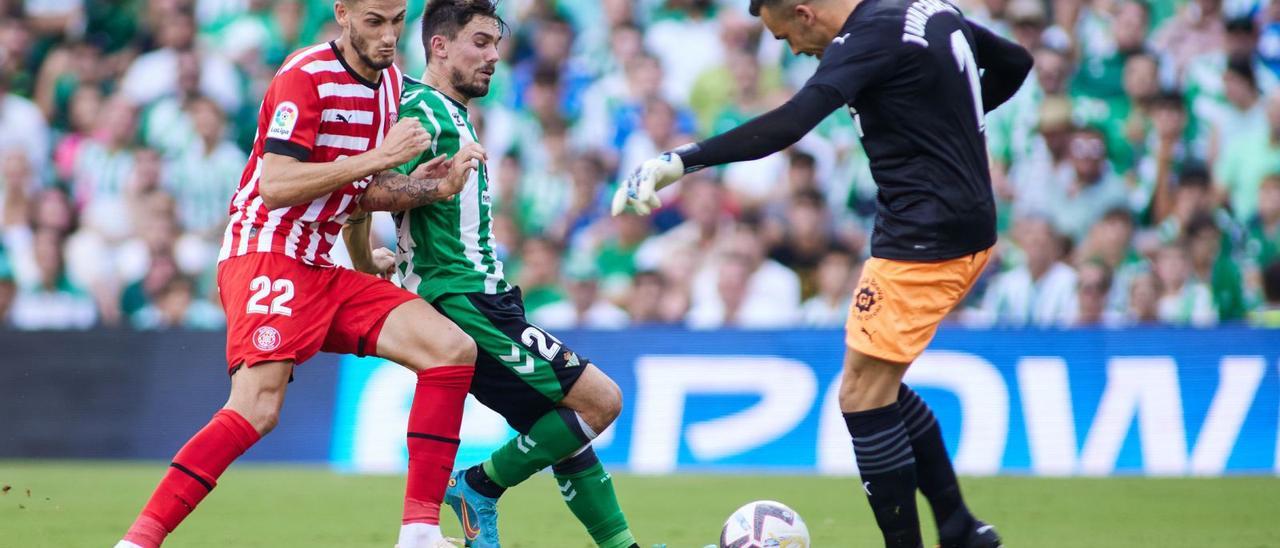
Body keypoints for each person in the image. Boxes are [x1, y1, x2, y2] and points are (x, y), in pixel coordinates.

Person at [612, 0, 1032, 546]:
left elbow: (789, 123)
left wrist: (680, 161)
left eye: (785, 37)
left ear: (805, 13)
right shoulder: (924, 9)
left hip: (925, 233)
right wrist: (942, 124)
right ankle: (958, 526)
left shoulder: (863, 39)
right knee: (879, 382)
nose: (794, 50)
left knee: (861, 396)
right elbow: (1014, 62)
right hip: (953, 225)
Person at [114, 0, 481, 546]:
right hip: (265, 251)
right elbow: (277, 184)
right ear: (343, 14)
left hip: (322, 263)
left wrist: (428, 189)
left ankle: (420, 532)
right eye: (375, 22)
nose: (389, 36)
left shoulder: (388, 87)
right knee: (257, 408)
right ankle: (137, 541)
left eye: (398, 20)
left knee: (451, 350)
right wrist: (379, 157)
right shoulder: (305, 76)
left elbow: (358, 198)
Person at [351, 2, 651, 548]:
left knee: (563, 432)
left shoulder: (453, 111)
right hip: (461, 299)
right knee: (600, 401)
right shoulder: (417, 107)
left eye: (496, 45)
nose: (493, 56)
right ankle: (477, 487)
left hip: (486, 297)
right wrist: (417, 201)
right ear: (439, 45)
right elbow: (364, 190)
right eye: (481, 42)